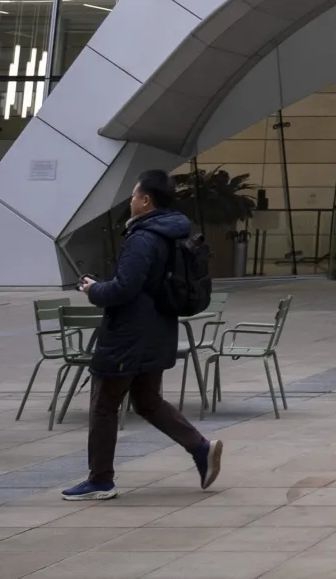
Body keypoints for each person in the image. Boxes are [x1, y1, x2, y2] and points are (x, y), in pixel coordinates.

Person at [62, 170, 222, 500]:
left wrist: (94, 290)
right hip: (159, 329)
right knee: (148, 401)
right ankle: (201, 448)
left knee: (105, 405)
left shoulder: (143, 238)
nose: (131, 201)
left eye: (134, 196)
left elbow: (125, 288)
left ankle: (100, 480)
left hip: (128, 335)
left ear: (146, 201)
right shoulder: (173, 234)